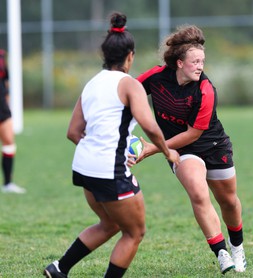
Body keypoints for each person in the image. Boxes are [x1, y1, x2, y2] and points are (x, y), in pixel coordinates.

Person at [43, 12, 179, 278]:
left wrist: (99, 148)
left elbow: (73, 132)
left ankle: (59, 268)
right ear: (131, 56)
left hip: (84, 166)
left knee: (110, 223)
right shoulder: (130, 84)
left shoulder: (92, 84)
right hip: (109, 169)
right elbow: (150, 126)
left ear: (105, 55)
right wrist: (168, 152)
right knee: (135, 232)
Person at [136, 25, 247, 274]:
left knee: (228, 201)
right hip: (183, 150)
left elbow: (194, 133)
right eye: (195, 61)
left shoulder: (206, 90)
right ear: (179, 62)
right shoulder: (155, 78)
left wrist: (154, 148)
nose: (200, 66)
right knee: (198, 193)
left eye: (203, 61)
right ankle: (221, 253)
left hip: (212, 144)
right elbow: (129, 92)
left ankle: (237, 247)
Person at [0, 49, 26, 194]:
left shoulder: (1, 56)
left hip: (2, 106)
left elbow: (5, 81)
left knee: (9, 142)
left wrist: (7, 103)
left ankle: (8, 184)